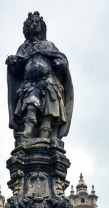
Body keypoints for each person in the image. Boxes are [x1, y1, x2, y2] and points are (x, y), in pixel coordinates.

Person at [6, 11, 73, 140]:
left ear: (42, 27)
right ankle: (28, 131)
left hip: (49, 82)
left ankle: (45, 136)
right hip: (29, 84)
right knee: (30, 105)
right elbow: (17, 71)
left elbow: (60, 59)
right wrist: (13, 64)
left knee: (49, 112)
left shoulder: (49, 45)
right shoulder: (24, 48)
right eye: (31, 23)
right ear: (27, 28)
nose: (34, 25)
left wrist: (60, 63)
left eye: (37, 23)